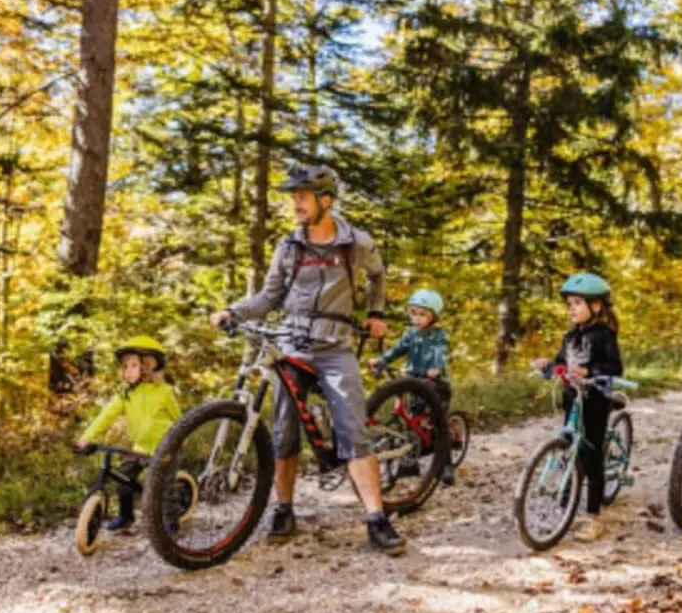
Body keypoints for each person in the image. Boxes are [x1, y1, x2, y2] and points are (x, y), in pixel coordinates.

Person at [209, 164, 405, 556]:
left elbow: (377, 276)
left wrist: (377, 314)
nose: (296, 204)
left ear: (326, 200)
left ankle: (376, 519)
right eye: (294, 197)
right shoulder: (289, 247)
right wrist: (234, 311)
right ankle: (284, 509)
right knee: (284, 430)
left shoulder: (355, 243)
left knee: (353, 430)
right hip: (293, 344)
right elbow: (269, 297)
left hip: (335, 348)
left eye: (303, 197)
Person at [532, 273, 623, 542]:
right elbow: (563, 362)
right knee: (570, 443)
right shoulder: (570, 336)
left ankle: (594, 515)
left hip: (595, 399)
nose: (571, 308)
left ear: (596, 307)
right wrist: (548, 366)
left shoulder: (604, 335)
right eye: (569, 303)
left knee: (591, 454)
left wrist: (590, 370)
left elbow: (614, 367)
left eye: (577, 303)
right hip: (573, 399)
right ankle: (567, 496)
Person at [74, 336, 181, 532]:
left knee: (164, 486)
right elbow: (105, 416)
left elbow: (179, 420)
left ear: (148, 367)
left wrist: (180, 440)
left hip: (165, 448)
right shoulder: (125, 394)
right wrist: (87, 437)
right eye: (125, 366)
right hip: (140, 448)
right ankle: (125, 515)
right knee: (122, 477)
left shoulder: (164, 392)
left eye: (133, 365)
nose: (127, 370)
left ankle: (170, 520)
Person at [368, 288, 456, 486]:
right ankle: (409, 464)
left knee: (437, 422)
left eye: (422, 314)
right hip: (414, 382)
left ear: (433, 316)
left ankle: (446, 465)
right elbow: (397, 350)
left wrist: (436, 368)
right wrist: (381, 361)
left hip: (435, 384)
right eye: (413, 313)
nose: (416, 318)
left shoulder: (438, 335)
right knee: (410, 421)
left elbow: (440, 353)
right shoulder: (410, 334)